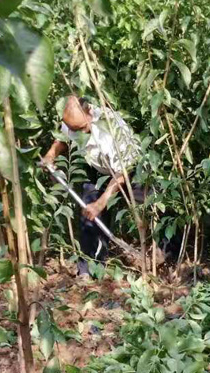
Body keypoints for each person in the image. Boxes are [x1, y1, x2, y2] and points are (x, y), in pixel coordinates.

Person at [41, 96, 143, 275]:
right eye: (74, 129)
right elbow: (63, 138)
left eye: (81, 128)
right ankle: (88, 270)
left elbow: (123, 172)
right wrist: (50, 155)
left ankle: (166, 261)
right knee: (88, 216)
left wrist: (101, 203)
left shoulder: (111, 128)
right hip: (100, 172)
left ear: (90, 113)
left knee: (149, 209)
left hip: (129, 171)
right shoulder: (73, 120)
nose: (78, 134)